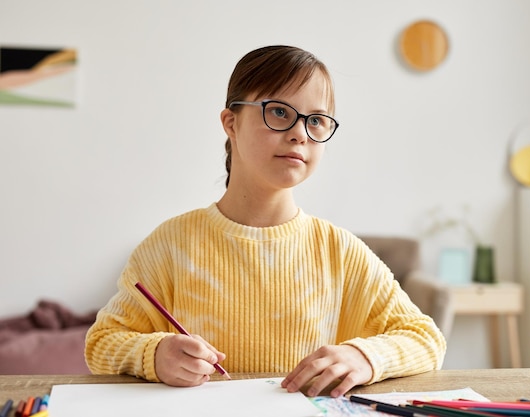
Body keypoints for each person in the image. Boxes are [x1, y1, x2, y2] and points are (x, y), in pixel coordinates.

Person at [85, 45, 446, 398]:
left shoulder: (339, 250)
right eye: (278, 112)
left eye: (316, 120)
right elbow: (102, 343)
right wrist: (155, 355)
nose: (300, 133)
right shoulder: (169, 245)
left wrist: (365, 357)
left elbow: (426, 339)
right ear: (231, 123)